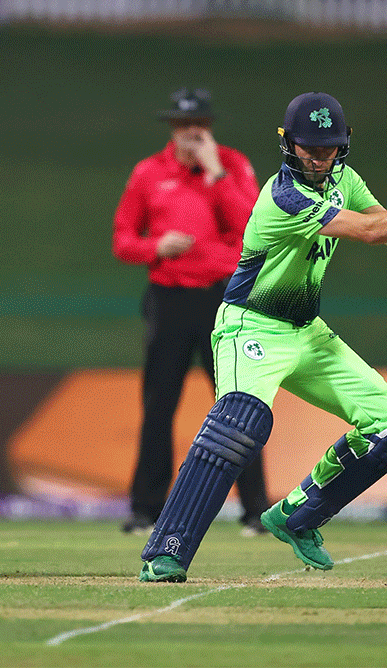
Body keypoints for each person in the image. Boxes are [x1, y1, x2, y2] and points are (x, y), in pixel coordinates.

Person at [137, 92, 387, 582]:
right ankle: (169, 549)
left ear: (343, 145)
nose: (319, 156)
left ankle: (298, 516)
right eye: (309, 147)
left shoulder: (344, 180)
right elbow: (369, 234)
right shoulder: (283, 198)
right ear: (288, 144)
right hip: (251, 326)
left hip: (307, 331)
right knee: (239, 425)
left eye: (328, 147)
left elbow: (384, 225)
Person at [113, 87, 270, 538]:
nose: (190, 135)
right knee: (159, 406)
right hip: (169, 297)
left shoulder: (233, 166)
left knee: (238, 406)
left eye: (198, 126)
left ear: (209, 129)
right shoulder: (148, 173)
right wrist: (154, 246)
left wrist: (216, 172)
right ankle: (145, 510)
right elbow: (123, 240)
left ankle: (257, 511)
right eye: (183, 127)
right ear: (172, 130)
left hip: (225, 299)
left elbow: (252, 226)